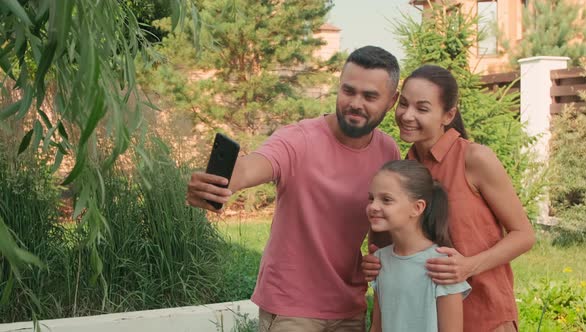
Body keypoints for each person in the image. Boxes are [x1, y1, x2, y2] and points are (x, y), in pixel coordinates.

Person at [187, 45, 402, 332]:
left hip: (349, 307)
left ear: (392, 101)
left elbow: (383, 233)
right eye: (348, 91)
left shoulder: (388, 151)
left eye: (370, 96)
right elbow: (253, 165)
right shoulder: (299, 139)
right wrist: (220, 182)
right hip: (292, 307)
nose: (355, 103)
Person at [362, 65, 536, 332]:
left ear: (448, 115)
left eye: (422, 108)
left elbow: (524, 235)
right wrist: (375, 262)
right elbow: (389, 243)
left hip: (485, 316)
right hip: (425, 319)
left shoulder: (474, 159)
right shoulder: (402, 170)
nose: (407, 115)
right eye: (404, 104)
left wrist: (468, 266)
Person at [367, 159, 470, 332]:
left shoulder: (443, 265)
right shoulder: (380, 260)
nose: (373, 206)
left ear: (417, 208)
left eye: (386, 200)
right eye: (371, 198)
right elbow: (377, 326)